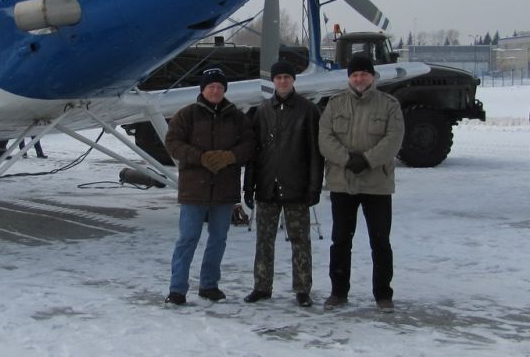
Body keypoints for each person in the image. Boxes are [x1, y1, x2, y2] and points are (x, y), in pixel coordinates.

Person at [318, 53, 405, 312]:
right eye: (354, 74)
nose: (359, 78)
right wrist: (347, 160)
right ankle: (338, 292)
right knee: (341, 240)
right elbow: (325, 137)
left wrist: (367, 160)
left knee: (380, 241)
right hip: (342, 183)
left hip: (376, 183)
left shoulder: (389, 105)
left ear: (372, 76)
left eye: (364, 74)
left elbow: (394, 139)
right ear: (349, 78)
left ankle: (383, 294)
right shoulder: (334, 105)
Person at [164, 67, 254, 305]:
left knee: (218, 239)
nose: (215, 90)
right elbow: (172, 143)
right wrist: (200, 157)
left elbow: (250, 144)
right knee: (188, 238)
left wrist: (230, 157)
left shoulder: (236, 117)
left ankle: (209, 284)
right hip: (194, 189)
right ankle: (177, 289)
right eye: (211, 86)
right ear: (202, 89)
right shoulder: (187, 115)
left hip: (224, 190)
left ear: (225, 90)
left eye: (219, 87)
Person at [243, 60, 323, 307]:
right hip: (267, 186)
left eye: (287, 77)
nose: (283, 82)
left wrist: (314, 186)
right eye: (278, 78)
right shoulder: (263, 111)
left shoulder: (308, 110)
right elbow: (254, 152)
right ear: (273, 81)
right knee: (264, 240)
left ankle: (302, 288)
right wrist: (249, 185)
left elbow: (315, 153)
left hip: (296, 186)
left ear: (293, 80)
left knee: (300, 240)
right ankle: (262, 286)